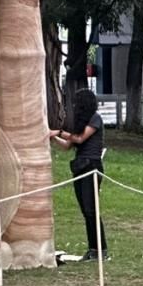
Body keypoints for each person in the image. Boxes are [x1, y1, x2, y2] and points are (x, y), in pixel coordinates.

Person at [49, 88, 108, 261]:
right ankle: (92, 248)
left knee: (91, 210)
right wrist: (53, 138)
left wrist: (58, 132)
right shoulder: (81, 122)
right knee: (85, 211)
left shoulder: (95, 119)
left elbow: (80, 138)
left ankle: (101, 249)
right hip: (80, 168)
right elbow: (68, 145)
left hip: (92, 167)